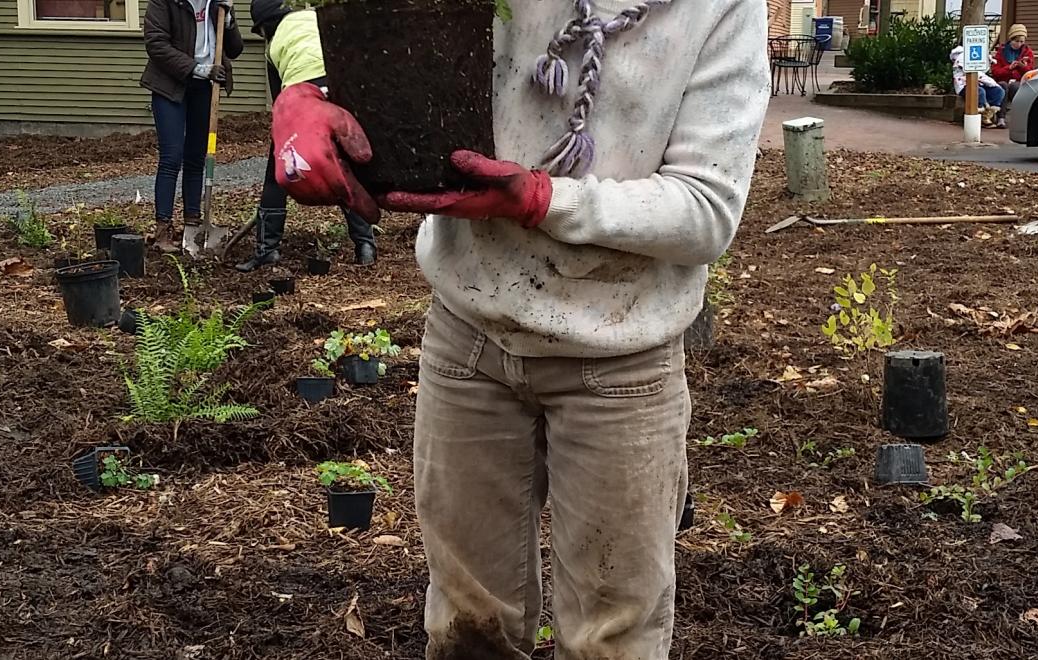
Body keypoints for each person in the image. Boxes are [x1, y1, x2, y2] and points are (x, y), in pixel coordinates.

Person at [274, 0, 768, 657]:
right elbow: (357, 15)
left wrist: (544, 200)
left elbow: (707, 208)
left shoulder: (719, 9)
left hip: (622, 358)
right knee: (467, 628)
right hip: (469, 337)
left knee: (611, 638)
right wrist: (308, 81)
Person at [235, 0, 378, 272]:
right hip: (341, 89)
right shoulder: (315, 17)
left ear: (265, 27)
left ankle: (267, 251)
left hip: (304, 96)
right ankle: (365, 246)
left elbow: (282, 104)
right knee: (346, 168)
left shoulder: (274, 46)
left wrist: (284, 144)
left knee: (277, 171)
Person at [141, 0, 244, 253]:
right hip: (170, 85)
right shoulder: (164, 3)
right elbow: (156, 44)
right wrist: (198, 68)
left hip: (204, 88)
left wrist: (228, 19)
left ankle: (193, 225)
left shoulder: (218, 4)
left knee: (196, 157)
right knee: (171, 157)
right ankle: (163, 229)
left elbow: (234, 49)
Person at [990, 24, 1035, 128]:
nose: (1019, 44)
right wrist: (1009, 68)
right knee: (1002, 87)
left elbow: (1030, 72)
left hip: (1019, 82)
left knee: (1016, 87)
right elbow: (996, 72)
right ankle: (1001, 118)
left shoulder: (1028, 52)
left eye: (1021, 42)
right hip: (1003, 81)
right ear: (1011, 39)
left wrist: (1021, 66)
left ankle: (1021, 119)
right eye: (1016, 41)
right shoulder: (1001, 52)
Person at [951, 43, 1006, 128]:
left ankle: (987, 113)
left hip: (980, 83)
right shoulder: (962, 57)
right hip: (963, 85)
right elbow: (973, 72)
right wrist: (989, 82)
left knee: (999, 91)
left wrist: (992, 84)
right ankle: (978, 113)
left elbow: (981, 74)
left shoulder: (980, 56)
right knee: (979, 92)